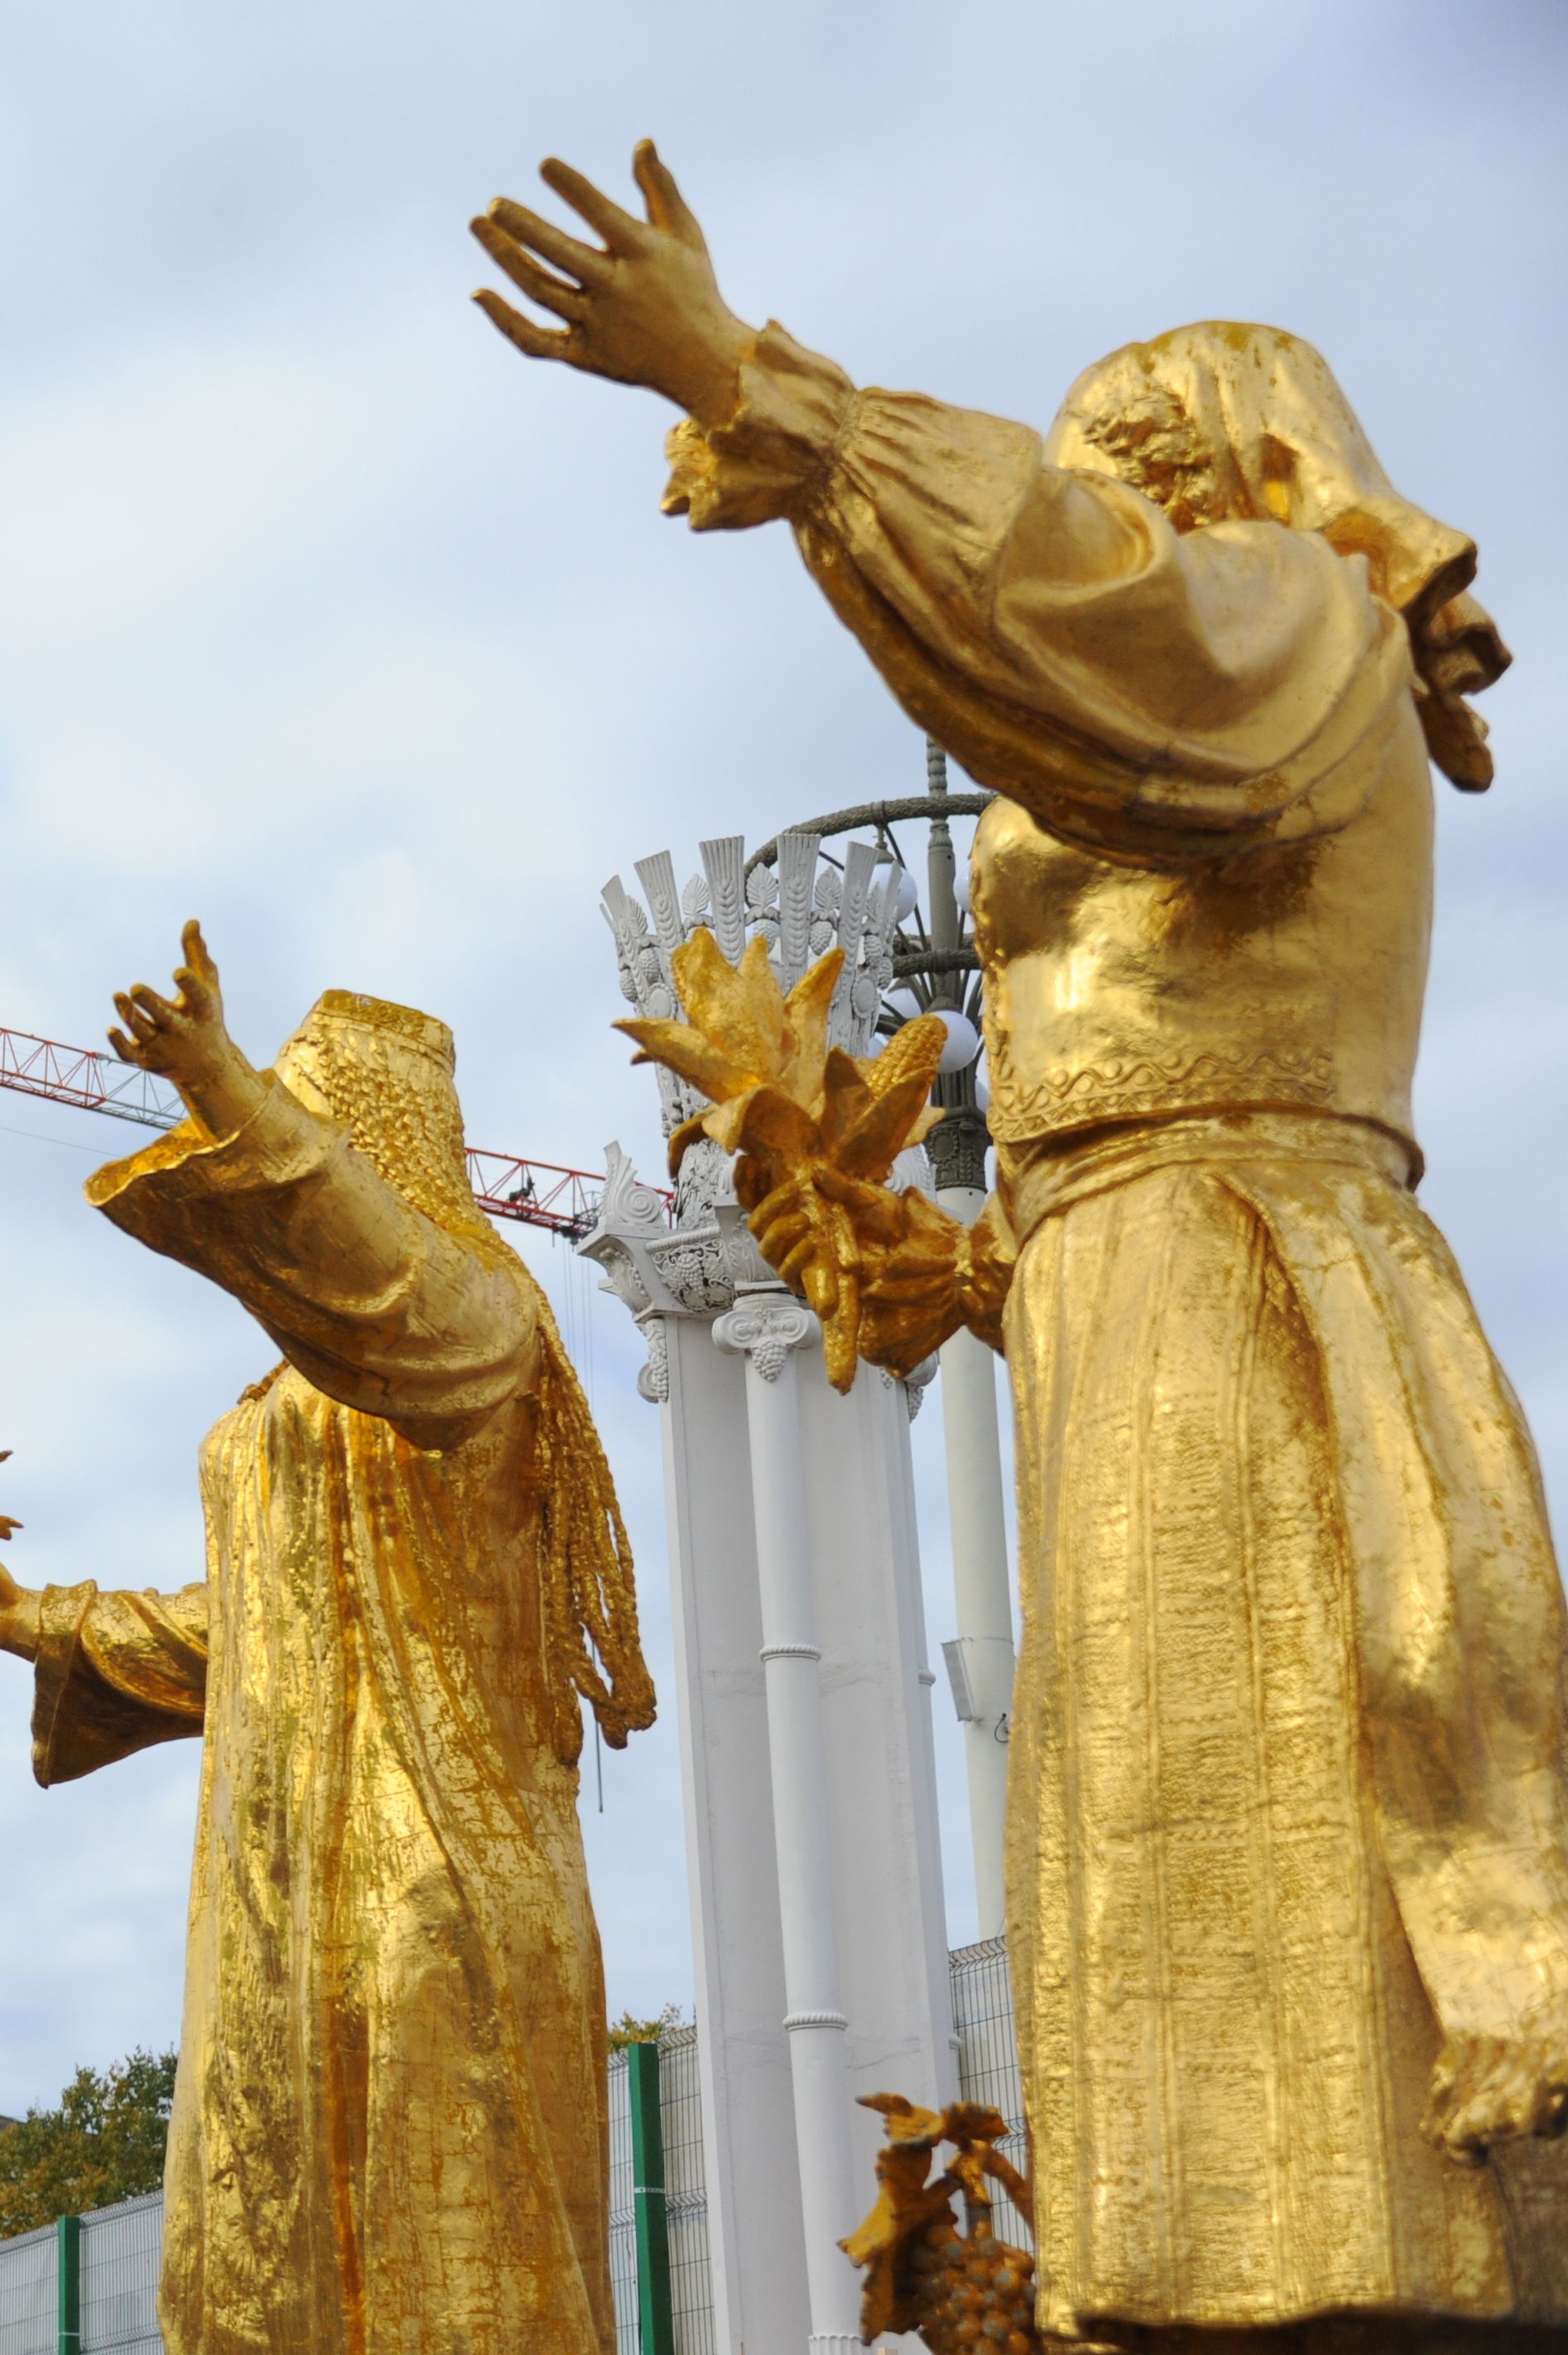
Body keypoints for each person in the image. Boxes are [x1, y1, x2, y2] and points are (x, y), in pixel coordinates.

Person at [475, 145, 1568, 2343]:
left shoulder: (1294, 618)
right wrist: (869, 1210)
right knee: (1163, 1873)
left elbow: (1106, 633)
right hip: (1118, 1287)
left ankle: (1347, 2286)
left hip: (1238, 1283)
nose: (1096, 519)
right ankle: (1212, 2280)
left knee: (1281, 1844)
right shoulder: (1224, 681)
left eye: (1114, 476)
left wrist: (785, 402)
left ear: (1226, 475)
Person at [0, 932, 650, 2354]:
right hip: (275, 1895)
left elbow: (383, 1289)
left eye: (308, 1125)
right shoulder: (295, 1394)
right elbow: (243, 1624)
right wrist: (24, 1612)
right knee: (260, 2269)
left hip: (435, 1880)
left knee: (453, 2295)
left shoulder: (478, 1331)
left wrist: (229, 1091)